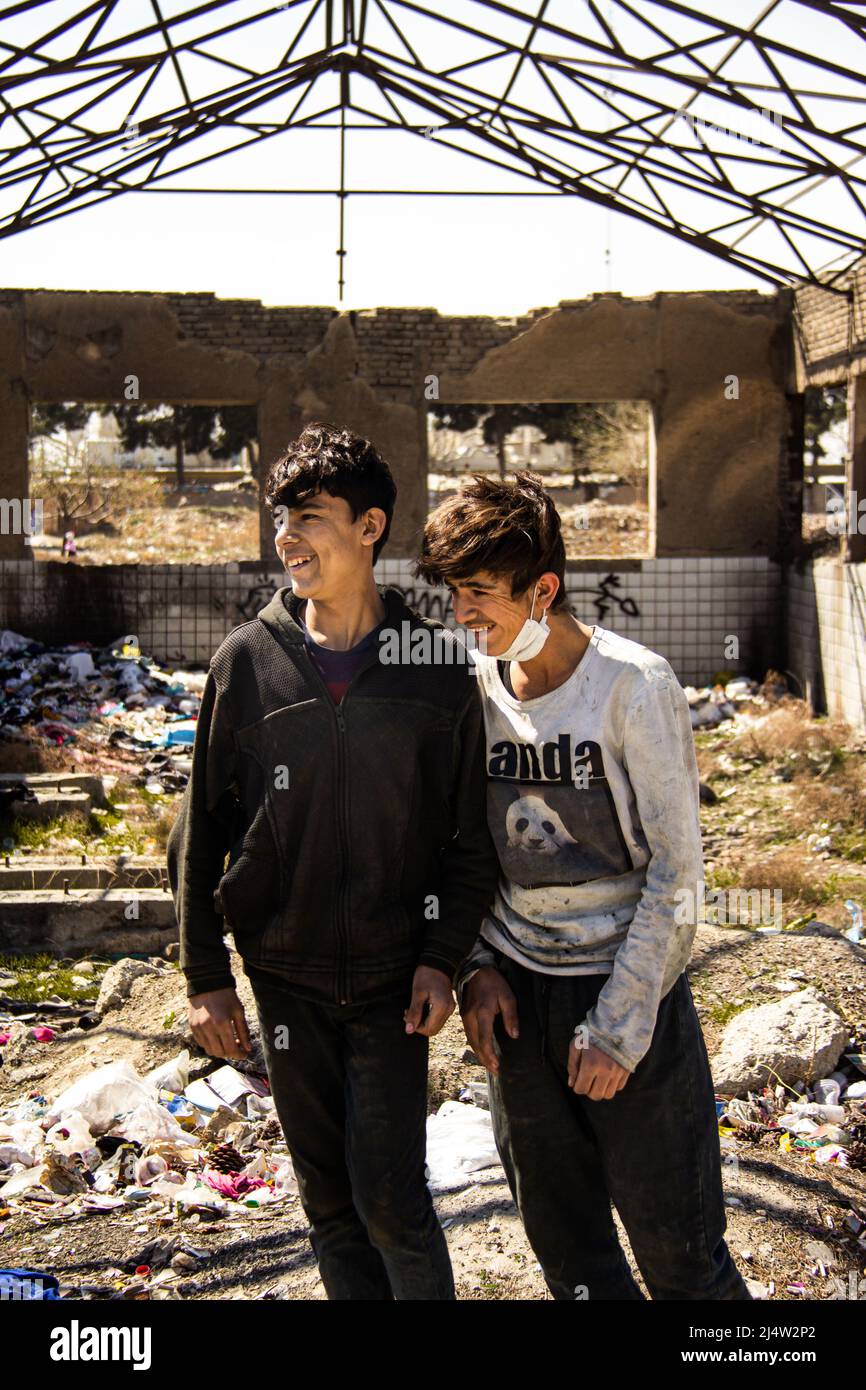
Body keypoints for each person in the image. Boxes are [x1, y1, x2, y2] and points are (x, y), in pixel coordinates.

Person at [167, 423, 498, 1300]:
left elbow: (469, 839)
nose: (288, 538)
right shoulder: (247, 662)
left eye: (309, 517)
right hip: (284, 976)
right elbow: (200, 831)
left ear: (369, 527)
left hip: (395, 981)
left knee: (390, 1199)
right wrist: (207, 976)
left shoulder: (433, 667)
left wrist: (442, 957)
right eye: (282, 519)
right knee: (327, 1205)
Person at [414, 471, 752, 1302]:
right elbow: (460, 849)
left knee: (685, 1267)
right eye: (455, 595)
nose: (463, 615)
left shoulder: (634, 685)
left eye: (482, 594)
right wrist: (475, 968)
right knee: (574, 1267)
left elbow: (677, 874)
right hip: (520, 1009)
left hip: (629, 997)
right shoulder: (473, 689)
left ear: (544, 590)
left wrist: (622, 1028)